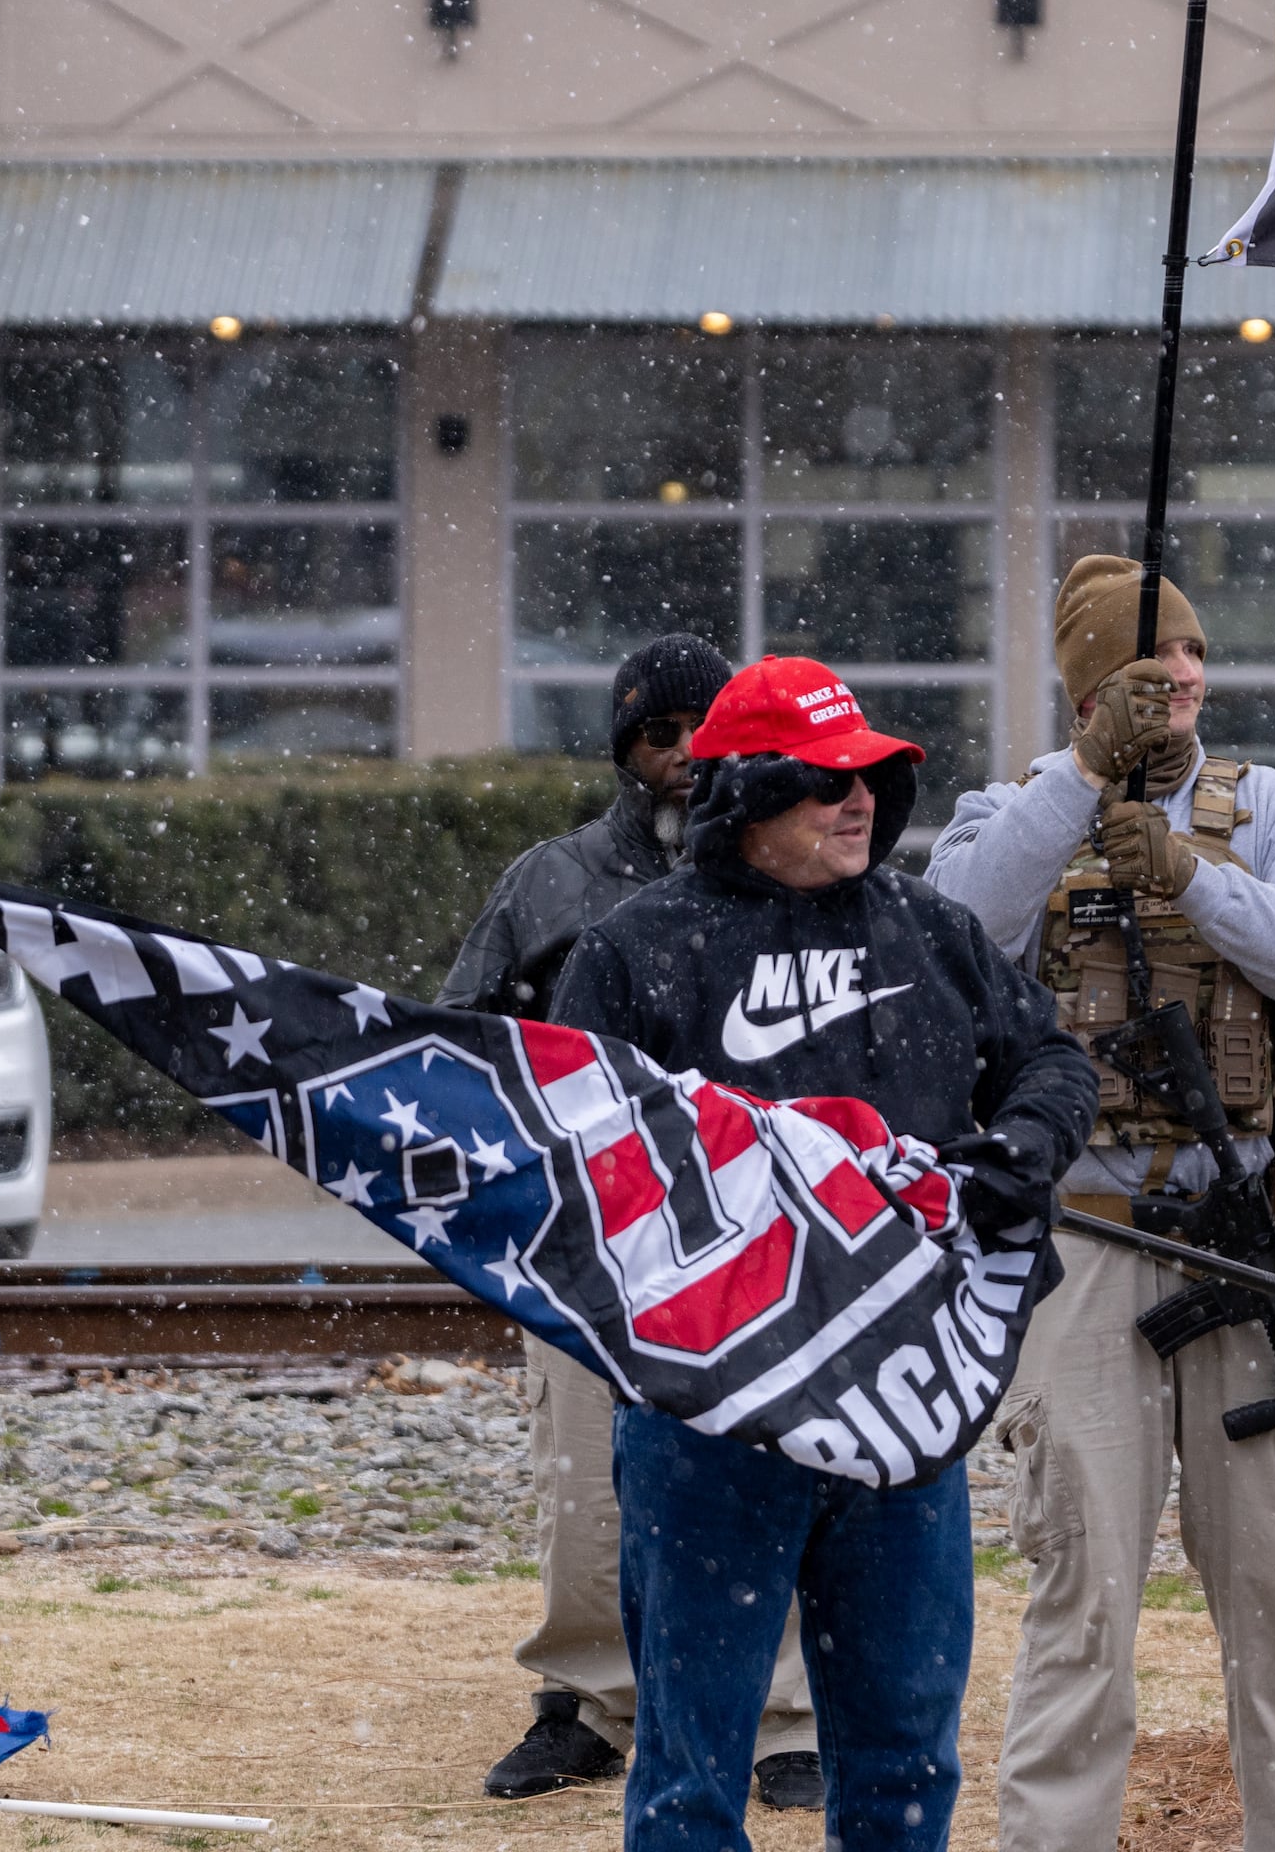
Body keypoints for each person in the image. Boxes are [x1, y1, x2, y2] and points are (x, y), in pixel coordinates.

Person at [551, 655, 1099, 1852]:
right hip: (709, 1414)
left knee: (906, 1753)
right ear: (747, 797)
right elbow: (567, 1152)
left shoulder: (932, 930)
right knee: (693, 1768)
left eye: (877, 778)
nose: (861, 802)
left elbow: (1054, 1059)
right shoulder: (637, 947)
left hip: (903, 1408)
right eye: (827, 784)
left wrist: (1024, 1147)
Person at [926, 555, 1275, 1852]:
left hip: (1252, 1243)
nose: (1176, 677)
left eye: (1185, 654)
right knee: (1082, 1598)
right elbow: (955, 940)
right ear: (1086, 689)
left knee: (1273, 1601)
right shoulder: (1008, 814)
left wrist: (1185, 872)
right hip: (1082, 1241)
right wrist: (1076, 787)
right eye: (1144, 662)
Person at [439, 635, 826, 1811]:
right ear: (625, 748)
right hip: (586, 1237)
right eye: (660, 738)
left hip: (761, 1231)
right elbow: (463, 1038)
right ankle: (589, 1702)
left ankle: (786, 1719)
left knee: (779, 1455)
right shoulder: (547, 882)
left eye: (704, 739)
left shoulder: (802, 870)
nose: (682, 761)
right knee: (586, 1484)